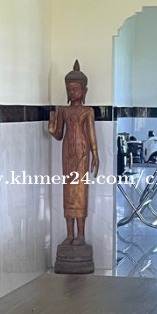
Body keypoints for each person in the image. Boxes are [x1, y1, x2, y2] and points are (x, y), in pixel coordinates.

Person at [49, 60, 99, 244]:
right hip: (67, 154)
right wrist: (52, 126)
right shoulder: (63, 111)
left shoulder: (88, 111)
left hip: (82, 154)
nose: (72, 92)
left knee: (80, 191)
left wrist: (95, 154)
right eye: (69, 89)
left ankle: (81, 235)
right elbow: (59, 135)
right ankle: (70, 234)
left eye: (75, 89)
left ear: (84, 91)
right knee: (68, 191)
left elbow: (91, 134)